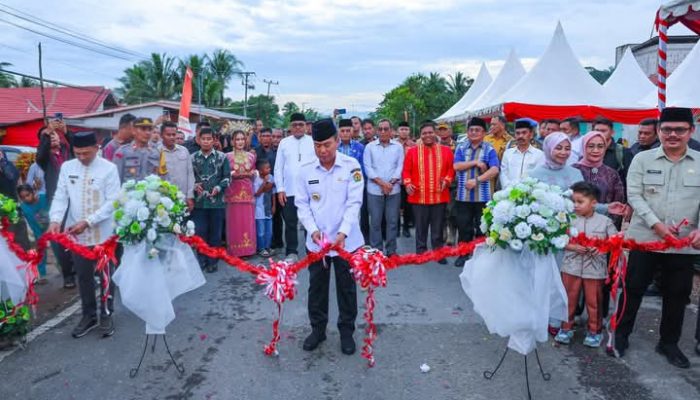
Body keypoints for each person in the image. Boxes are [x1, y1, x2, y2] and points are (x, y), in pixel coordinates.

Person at [612, 107, 700, 369]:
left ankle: (669, 343)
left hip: (683, 244)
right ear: (659, 131)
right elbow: (635, 195)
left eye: (680, 130)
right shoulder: (642, 159)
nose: (672, 134)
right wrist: (658, 226)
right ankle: (620, 335)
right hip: (645, 238)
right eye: (667, 129)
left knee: (677, 293)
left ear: (691, 131)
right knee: (633, 289)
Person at [295, 118, 363, 355]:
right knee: (317, 288)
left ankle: (346, 332)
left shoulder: (351, 166)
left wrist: (343, 233)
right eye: (317, 145)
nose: (322, 150)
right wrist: (313, 231)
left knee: (346, 288)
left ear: (337, 141)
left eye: (326, 144)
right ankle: (318, 330)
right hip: (317, 243)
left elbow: (355, 202)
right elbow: (301, 204)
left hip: (346, 241)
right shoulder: (305, 169)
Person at [47, 132, 121, 338]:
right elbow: (60, 196)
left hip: (103, 235)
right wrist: (55, 219)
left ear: (97, 148)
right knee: (84, 276)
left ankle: (106, 313)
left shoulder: (109, 169)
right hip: (77, 236)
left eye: (85, 153)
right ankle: (88, 315)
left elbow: (113, 201)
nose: (81, 157)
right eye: (77, 153)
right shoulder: (67, 167)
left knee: (106, 276)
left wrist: (89, 221)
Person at [555, 182, 617, 347]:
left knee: (593, 301)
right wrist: (572, 246)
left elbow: (615, 241)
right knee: (569, 299)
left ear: (594, 203)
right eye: (573, 201)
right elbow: (558, 240)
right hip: (571, 267)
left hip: (594, 269)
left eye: (580, 202)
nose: (575, 205)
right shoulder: (567, 220)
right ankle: (566, 328)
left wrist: (602, 248)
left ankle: (594, 331)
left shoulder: (605, 222)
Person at [402, 121, 454, 264]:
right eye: (424, 133)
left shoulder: (446, 151)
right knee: (421, 227)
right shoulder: (412, 152)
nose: (428, 135)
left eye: (430, 132)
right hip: (419, 196)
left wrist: (447, 180)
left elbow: (451, 169)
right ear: (420, 135)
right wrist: (407, 183)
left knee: (438, 228)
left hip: (439, 196)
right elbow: (406, 171)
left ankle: (438, 253)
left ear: (435, 133)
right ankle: (421, 252)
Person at [453, 117, 500, 267]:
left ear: (484, 132)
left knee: (482, 227)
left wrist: (477, 180)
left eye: (477, 130)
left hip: (483, 196)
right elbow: (456, 166)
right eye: (471, 130)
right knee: (463, 227)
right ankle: (463, 254)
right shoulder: (461, 148)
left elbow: (494, 169)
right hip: (463, 196)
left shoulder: (489, 149)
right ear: (467, 132)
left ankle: (479, 256)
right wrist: (475, 162)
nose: (474, 132)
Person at [36, 123, 76, 288]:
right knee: (62, 240)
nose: (54, 136)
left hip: (75, 199)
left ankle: (84, 268)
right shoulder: (45, 159)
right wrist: (47, 133)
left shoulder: (69, 153)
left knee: (79, 235)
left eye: (55, 134)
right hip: (58, 202)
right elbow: (40, 154)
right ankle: (68, 275)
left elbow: (77, 145)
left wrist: (65, 130)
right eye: (49, 136)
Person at [274, 113, 316, 262]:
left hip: (309, 191)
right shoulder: (284, 143)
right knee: (290, 222)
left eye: (301, 124)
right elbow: (278, 168)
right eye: (294, 125)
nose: (298, 127)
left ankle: (312, 250)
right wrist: (280, 189)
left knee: (309, 222)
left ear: (306, 126)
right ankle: (292, 252)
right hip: (289, 190)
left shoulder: (313, 142)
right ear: (290, 127)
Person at [191, 128, 231, 273]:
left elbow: (227, 177)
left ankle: (213, 261)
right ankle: (201, 260)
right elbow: (189, 177)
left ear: (214, 140)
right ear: (198, 140)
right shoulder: (193, 158)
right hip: (199, 203)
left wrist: (219, 188)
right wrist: (194, 185)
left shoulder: (222, 157)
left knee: (215, 234)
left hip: (217, 202)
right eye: (204, 139)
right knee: (200, 233)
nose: (206, 141)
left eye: (209, 139)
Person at [363, 119, 404, 256]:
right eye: (380, 129)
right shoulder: (370, 147)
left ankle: (391, 251)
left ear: (391, 130)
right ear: (376, 130)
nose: (383, 132)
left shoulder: (398, 147)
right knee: (375, 222)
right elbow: (368, 168)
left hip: (394, 190)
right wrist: (382, 183)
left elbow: (399, 166)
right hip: (375, 190)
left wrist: (390, 184)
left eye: (386, 129)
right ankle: (377, 251)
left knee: (392, 221)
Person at [573, 131, 627, 217]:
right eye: (590, 146)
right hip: (576, 225)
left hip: (604, 226)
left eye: (600, 146)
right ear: (583, 147)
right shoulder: (574, 170)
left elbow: (618, 204)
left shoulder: (612, 174)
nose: (596, 150)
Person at [225, 131, 257, 258]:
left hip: (247, 193)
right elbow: (225, 173)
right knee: (234, 221)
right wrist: (234, 174)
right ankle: (234, 250)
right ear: (232, 141)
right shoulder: (227, 156)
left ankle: (248, 250)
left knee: (247, 221)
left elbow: (254, 170)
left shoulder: (251, 156)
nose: (240, 142)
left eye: (242, 139)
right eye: (237, 139)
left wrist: (252, 173)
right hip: (233, 194)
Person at [112, 117, 166, 182]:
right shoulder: (122, 152)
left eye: (150, 129)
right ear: (134, 131)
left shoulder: (157, 153)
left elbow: (163, 177)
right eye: (143, 129)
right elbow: (115, 179)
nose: (147, 133)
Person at [159, 121, 195, 211]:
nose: (172, 137)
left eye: (173, 134)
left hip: (183, 198)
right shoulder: (156, 152)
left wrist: (190, 196)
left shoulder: (184, 151)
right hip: (163, 200)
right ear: (161, 135)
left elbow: (190, 174)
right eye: (168, 135)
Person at [499, 118, 544, 188]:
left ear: (531, 134)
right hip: (509, 193)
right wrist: (509, 189)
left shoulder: (539, 154)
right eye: (518, 133)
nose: (520, 136)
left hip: (530, 195)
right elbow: (503, 174)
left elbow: (540, 176)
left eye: (524, 133)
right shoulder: (508, 153)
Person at [17, 184, 49, 279]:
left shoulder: (44, 198)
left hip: (52, 228)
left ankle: (66, 272)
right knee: (40, 253)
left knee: (59, 251)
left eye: (28, 195)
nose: (26, 198)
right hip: (37, 233)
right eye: (23, 197)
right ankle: (41, 275)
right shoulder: (23, 208)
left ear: (33, 192)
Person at [396, 121, 416, 238]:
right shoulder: (393, 144)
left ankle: (406, 227)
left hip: (409, 181)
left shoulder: (413, 145)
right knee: (396, 206)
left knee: (408, 206)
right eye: (402, 129)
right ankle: (397, 227)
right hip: (396, 181)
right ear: (398, 131)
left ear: (409, 131)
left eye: (406, 129)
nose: (404, 131)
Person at [253, 158, 275, 257]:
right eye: (267, 168)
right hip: (259, 210)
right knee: (260, 231)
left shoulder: (271, 177)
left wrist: (274, 205)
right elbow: (257, 193)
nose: (269, 169)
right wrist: (264, 183)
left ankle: (268, 247)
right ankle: (261, 248)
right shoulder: (256, 180)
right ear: (260, 171)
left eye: (269, 167)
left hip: (268, 209)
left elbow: (273, 192)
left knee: (269, 231)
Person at [270, 128, 285, 249]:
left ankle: (280, 241)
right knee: (272, 216)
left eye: (278, 137)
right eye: (273, 137)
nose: (275, 140)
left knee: (283, 216)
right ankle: (270, 241)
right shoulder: (263, 151)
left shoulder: (286, 151)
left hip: (283, 188)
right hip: (267, 189)